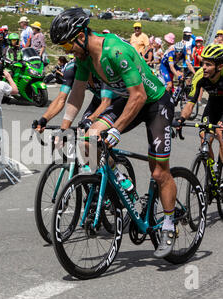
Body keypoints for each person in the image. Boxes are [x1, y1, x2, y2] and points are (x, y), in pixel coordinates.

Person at [50, 8, 177, 258]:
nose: (67, 51)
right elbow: (76, 93)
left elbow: (139, 96)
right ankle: (123, 183)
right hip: (126, 99)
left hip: (154, 103)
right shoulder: (84, 57)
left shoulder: (114, 51)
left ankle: (170, 226)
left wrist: (117, 130)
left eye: (66, 45)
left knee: (159, 172)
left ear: (80, 36)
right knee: (88, 140)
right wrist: (64, 129)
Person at [178, 44, 223, 192]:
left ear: (219, 67)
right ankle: (211, 172)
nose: (203, 67)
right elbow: (190, 104)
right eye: (202, 63)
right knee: (204, 136)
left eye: (208, 64)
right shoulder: (200, 76)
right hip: (212, 105)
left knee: (221, 133)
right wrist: (181, 119)